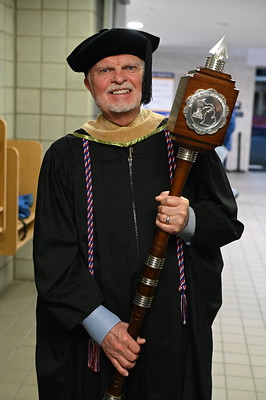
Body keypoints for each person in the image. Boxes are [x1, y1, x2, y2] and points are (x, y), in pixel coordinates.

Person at [33, 28, 244, 400]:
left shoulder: (184, 141)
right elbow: (53, 254)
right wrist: (104, 328)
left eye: (130, 67)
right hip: (93, 331)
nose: (119, 78)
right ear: (89, 85)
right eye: (104, 70)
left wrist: (190, 220)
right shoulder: (64, 157)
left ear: (143, 79)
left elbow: (226, 220)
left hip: (169, 328)